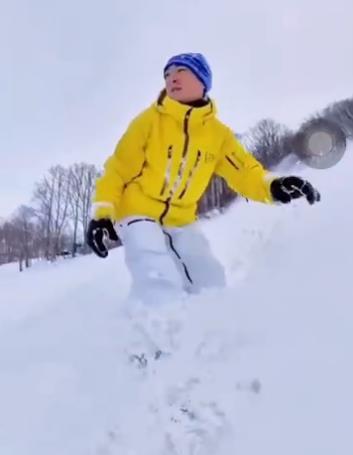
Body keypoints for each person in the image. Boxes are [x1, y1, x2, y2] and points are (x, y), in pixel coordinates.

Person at [86, 52, 320, 303]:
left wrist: (273, 185)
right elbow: (119, 168)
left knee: (209, 280)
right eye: (167, 74)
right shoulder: (148, 122)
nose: (171, 78)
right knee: (156, 272)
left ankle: (214, 329)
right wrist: (102, 213)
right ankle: (159, 332)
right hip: (136, 210)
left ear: (202, 81)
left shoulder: (218, 135)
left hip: (182, 217)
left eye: (181, 71)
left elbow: (243, 171)